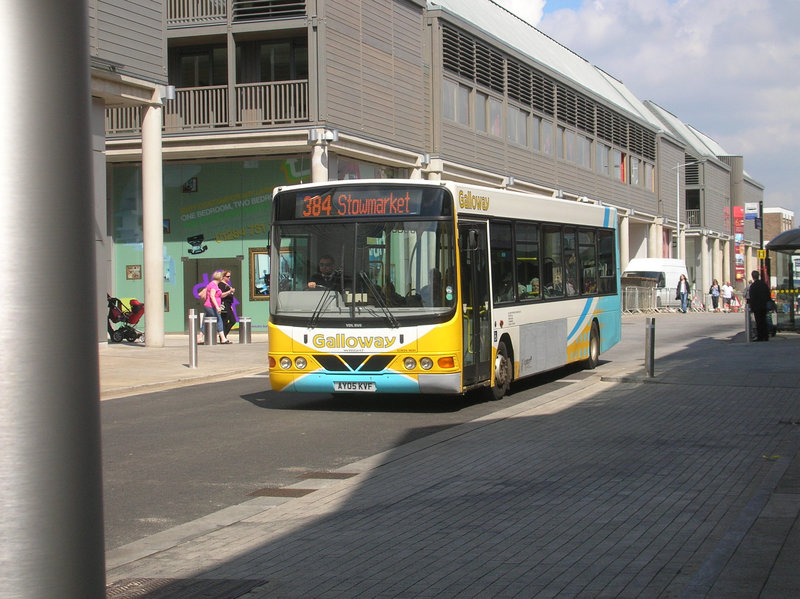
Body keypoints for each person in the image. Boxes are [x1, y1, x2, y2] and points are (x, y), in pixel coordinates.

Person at [204, 270, 230, 344]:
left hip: (210, 306)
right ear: (220, 277)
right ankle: (223, 338)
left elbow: (220, 295)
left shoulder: (214, 285)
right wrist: (217, 307)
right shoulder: (213, 285)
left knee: (205, 321)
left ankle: (200, 337)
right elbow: (212, 296)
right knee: (219, 320)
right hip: (211, 306)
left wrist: (228, 292)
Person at [746, 270, 770, 341]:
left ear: (753, 277)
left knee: (758, 322)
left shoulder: (753, 286)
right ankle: (765, 336)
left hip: (757, 306)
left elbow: (751, 297)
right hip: (764, 305)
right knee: (764, 321)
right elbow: (768, 295)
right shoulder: (763, 284)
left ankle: (760, 336)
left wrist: (751, 306)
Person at [218, 270, 236, 339]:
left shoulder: (226, 284)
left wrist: (230, 305)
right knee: (230, 320)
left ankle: (223, 336)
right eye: (227, 276)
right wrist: (229, 291)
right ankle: (223, 336)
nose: (229, 278)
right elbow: (221, 295)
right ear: (223, 277)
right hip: (224, 304)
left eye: (230, 276)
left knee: (228, 321)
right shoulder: (221, 285)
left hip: (228, 304)